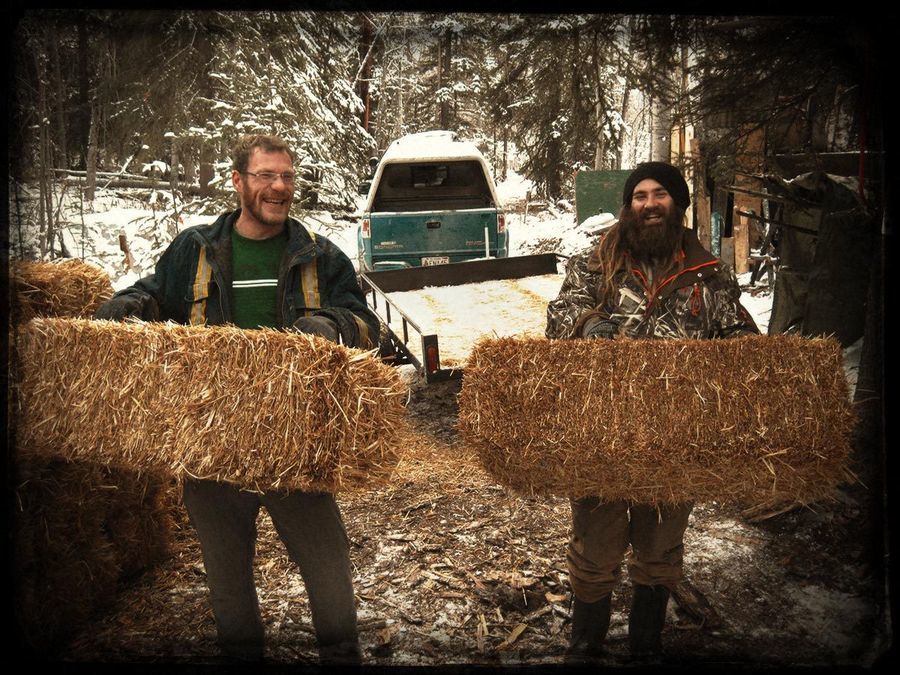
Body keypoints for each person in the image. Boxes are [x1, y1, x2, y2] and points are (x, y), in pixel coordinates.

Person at [95, 134, 379, 664]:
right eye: (266, 175)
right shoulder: (195, 249)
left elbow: (368, 326)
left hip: (295, 443)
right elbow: (155, 294)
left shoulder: (319, 255)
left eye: (287, 176)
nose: (279, 187)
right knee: (226, 577)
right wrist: (129, 304)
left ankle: (341, 655)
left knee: (327, 565)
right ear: (238, 182)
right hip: (211, 444)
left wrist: (332, 324)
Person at [545, 161, 760, 663]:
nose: (649, 204)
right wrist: (587, 325)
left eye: (659, 194)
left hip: (677, 436)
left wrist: (739, 359)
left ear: (678, 204)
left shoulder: (708, 273)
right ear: (628, 207)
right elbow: (559, 315)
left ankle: (646, 645)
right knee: (596, 545)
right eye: (639, 196)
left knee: (660, 547)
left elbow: (741, 338)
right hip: (602, 430)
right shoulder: (596, 263)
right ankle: (586, 645)